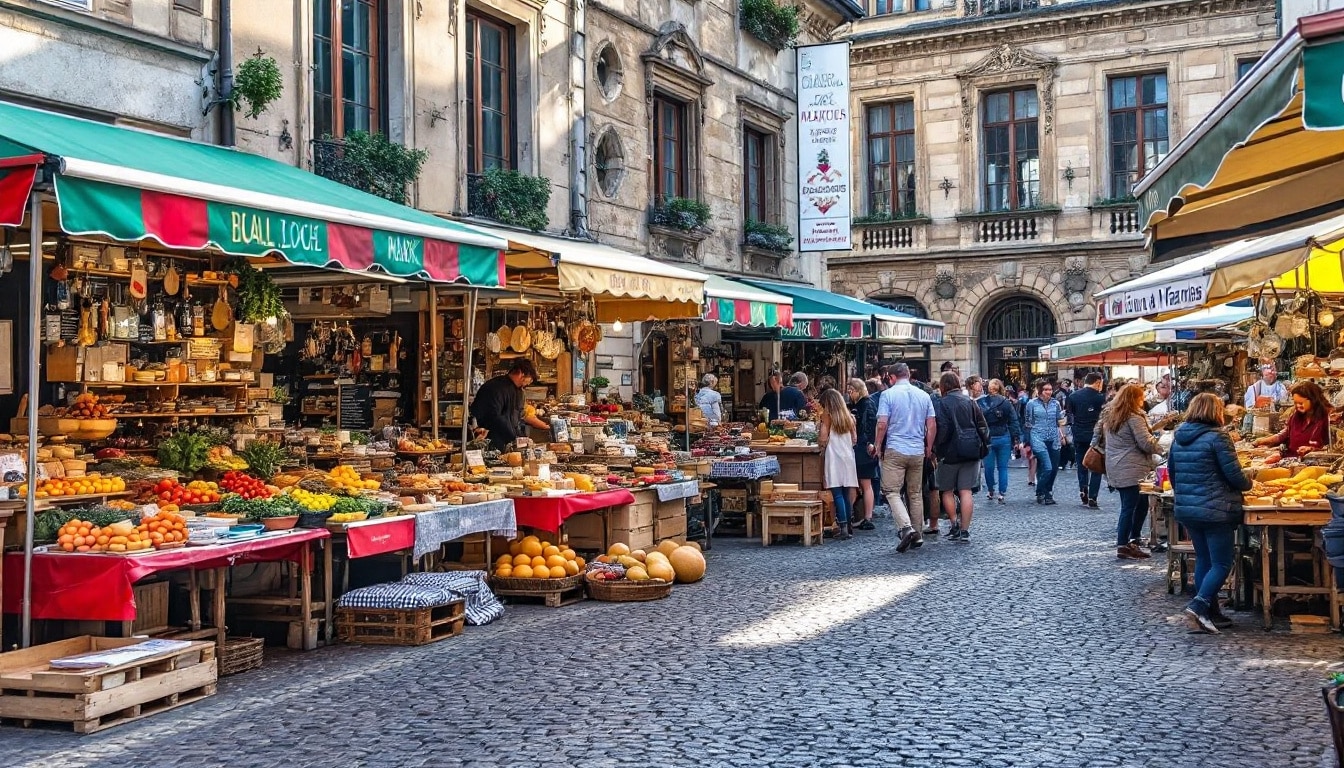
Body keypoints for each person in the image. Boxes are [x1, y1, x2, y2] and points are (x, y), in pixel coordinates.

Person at [1169, 393, 1252, 633]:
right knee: (1222, 563)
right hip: (1216, 510)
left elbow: (1173, 475)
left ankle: (1210, 613)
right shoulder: (1218, 437)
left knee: (1204, 558)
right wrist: (1249, 482)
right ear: (1214, 411)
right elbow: (1234, 475)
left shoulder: (1179, 438)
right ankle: (1199, 604)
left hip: (1189, 509)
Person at [874, 362, 937, 553]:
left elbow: (882, 424)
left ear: (892, 378)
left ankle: (906, 527)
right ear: (908, 375)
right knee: (915, 493)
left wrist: (877, 445)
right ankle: (917, 534)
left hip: (896, 448)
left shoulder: (888, 395)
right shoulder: (924, 395)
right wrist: (929, 446)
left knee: (891, 491)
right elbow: (932, 424)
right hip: (917, 449)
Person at [1096, 383, 1163, 560]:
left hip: (1118, 466)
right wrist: (1162, 446)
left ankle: (1132, 539)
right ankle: (1123, 544)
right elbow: (1146, 443)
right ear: (1135, 399)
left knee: (1138, 504)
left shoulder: (1114, 415)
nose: (1143, 400)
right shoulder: (1134, 417)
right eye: (1141, 397)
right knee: (1130, 507)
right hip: (1131, 468)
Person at [933, 372, 989, 542]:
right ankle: (965, 530)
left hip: (950, 453)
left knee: (947, 490)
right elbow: (983, 426)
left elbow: (942, 429)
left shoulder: (942, 403)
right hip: (971, 450)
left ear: (943, 386)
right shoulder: (970, 402)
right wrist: (983, 445)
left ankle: (954, 524)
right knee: (966, 492)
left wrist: (936, 449)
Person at [469, 359, 547, 451]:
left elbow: (517, 419)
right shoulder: (494, 388)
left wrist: (522, 439)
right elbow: (495, 417)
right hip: (492, 444)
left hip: (509, 444)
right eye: (531, 378)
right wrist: (514, 438)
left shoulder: (518, 391)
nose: (530, 382)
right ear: (521, 373)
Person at [819, 389, 859, 540]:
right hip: (848, 456)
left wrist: (821, 442)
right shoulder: (849, 417)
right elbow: (855, 439)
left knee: (837, 493)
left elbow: (823, 437)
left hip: (834, 456)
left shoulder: (827, 416)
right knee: (846, 493)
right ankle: (848, 525)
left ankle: (842, 526)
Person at [1254, 380, 1332, 457]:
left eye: (1301, 403)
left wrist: (1311, 449)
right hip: (1293, 461)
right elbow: (1285, 434)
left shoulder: (1328, 418)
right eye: (1295, 403)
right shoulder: (1296, 416)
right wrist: (1263, 441)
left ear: (1313, 399)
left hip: (1317, 463)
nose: (1298, 406)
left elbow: (1334, 447)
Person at [978, 378, 1021, 505]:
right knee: (1003, 468)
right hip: (1004, 437)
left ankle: (991, 490)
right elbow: (1013, 421)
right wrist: (1016, 438)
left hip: (988, 438)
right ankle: (1002, 493)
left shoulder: (981, 402)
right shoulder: (1006, 403)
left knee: (988, 468)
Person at [1068, 372, 1107, 508]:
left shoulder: (1073, 396)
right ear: (1097, 382)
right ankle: (1093, 495)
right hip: (1095, 435)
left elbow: (1069, 416)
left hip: (1079, 434)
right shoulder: (1100, 398)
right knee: (1096, 465)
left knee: (1081, 464)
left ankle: (1083, 487)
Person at [1024, 378, 1065, 505]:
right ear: (1040, 391)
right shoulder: (1031, 404)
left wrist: (1062, 434)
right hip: (1038, 437)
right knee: (1047, 467)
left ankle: (1047, 492)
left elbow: (1059, 421)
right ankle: (1040, 490)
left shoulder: (1055, 404)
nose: (1048, 392)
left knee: (1053, 468)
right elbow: (1027, 423)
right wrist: (1026, 441)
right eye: (1046, 390)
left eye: (1050, 389)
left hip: (1053, 438)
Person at [847, 378, 879, 531]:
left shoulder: (865, 404)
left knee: (866, 484)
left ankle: (867, 517)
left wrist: (868, 444)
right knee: (862, 484)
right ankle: (861, 516)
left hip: (863, 448)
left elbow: (868, 426)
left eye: (850, 391)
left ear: (857, 390)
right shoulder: (862, 404)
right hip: (863, 447)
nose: (849, 394)